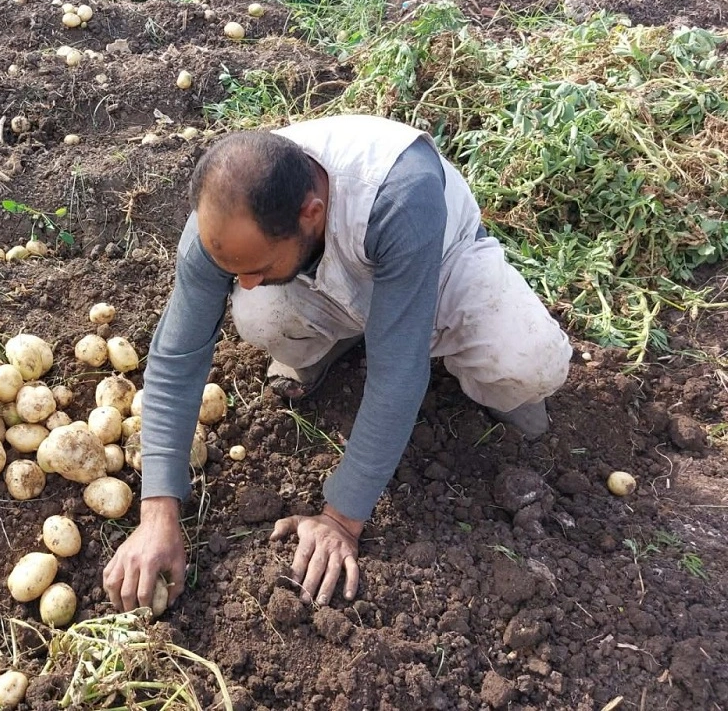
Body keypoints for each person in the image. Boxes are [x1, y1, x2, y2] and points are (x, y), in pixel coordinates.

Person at [102, 114, 572, 612]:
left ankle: (479, 367)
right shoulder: (222, 218)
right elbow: (177, 357)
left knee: (529, 361)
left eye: (256, 267)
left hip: (438, 267)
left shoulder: (399, 193)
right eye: (236, 271)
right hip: (327, 278)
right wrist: (157, 513)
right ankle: (339, 341)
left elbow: (397, 373)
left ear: (311, 213)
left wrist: (340, 520)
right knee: (259, 313)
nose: (245, 283)